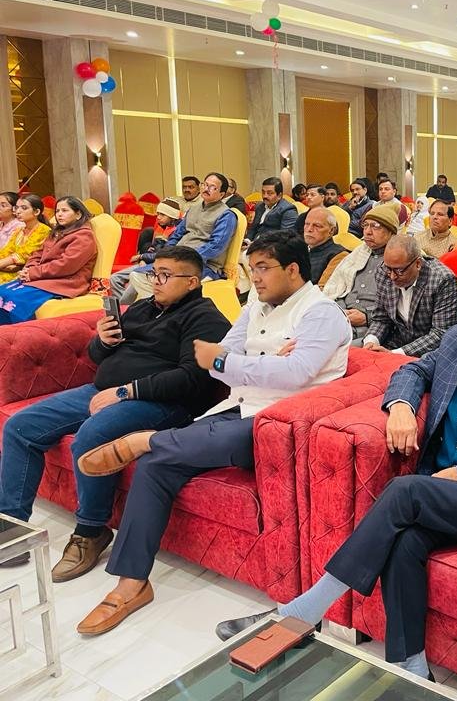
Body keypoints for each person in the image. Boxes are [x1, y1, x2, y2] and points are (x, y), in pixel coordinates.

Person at [215, 257, 457, 681]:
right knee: (405, 541)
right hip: (451, 494)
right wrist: (402, 406)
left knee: (406, 490)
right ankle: (411, 665)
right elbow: (412, 369)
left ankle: (302, 611)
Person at [76, 232, 351, 635]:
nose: (254, 278)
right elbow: (213, 359)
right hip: (237, 405)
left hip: (282, 423)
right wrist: (260, 363)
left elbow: (295, 374)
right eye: (251, 268)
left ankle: (146, 439)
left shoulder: (320, 314)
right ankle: (131, 583)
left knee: (203, 442)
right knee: (155, 466)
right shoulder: (256, 305)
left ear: (293, 270)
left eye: (263, 268)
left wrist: (244, 363)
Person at [0, 247, 230, 575]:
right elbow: (98, 356)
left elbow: (191, 378)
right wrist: (103, 342)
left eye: (166, 275)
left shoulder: (206, 319)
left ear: (192, 282)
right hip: (102, 391)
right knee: (21, 426)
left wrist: (125, 391)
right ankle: (12, 527)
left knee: (91, 437)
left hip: (162, 403)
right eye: (154, 273)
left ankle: (91, 531)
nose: (156, 281)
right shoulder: (142, 308)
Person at [114, 173, 236, 304]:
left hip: (203, 265)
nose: (206, 189)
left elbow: (215, 246)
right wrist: (167, 254)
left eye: (212, 187)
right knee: (137, 274)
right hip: (177, 259)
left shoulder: (226, 215)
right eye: (205, 184)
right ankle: (128, 310)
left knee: (141, 277)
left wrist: (187, 258)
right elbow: (176, 235)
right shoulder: (193, 209)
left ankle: (163, 309)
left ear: (222, 194)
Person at [0, 196, 96, 324]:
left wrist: (33, 273)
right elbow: (38, 254)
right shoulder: (58, 232)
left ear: (78, 214)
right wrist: (29, 268)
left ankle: (17, 331)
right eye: (57, 211)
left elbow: (65, 265)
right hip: (44, 277)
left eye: (64, 211)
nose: (59, 214)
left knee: (13, 297)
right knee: (2, 291)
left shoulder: (83, 236)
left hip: (65, 281)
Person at [363, 236, 457, 357]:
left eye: (399, 271)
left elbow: (440, 333)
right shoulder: (382, 272)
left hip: (429, 352)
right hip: (394, 342)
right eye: (388, 268)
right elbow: (381, 318)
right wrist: (371, 341)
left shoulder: (442, 280)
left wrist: (395, 354)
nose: (392, 276)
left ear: (418, 264)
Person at [322, 204, 398, 343]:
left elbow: (400, 305)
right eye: (365, 225)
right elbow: (338, 288)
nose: (367, 232)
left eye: (375, 226)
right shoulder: (359, 253)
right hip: (341, 316)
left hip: (374, 327)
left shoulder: (399, 260)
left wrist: (367, 316)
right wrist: (340, 310)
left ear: (391, 232)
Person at [0, 194, 49, 284]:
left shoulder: (43, 230)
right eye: (17, 208)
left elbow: (23, 255)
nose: (18, 211)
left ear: (36, 212)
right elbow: (7, 250)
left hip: (27, 272)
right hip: (10, 269)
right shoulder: (19, 230)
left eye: (24, 208)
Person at [248, 177, 297, 242]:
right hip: (254, 244)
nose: (265, 196)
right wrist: (247, 240)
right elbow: (253, 228)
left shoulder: (288, 209)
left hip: (272, 245)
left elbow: (286, 235)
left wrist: (258, 243)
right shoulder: (259, 206)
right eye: (263, 192)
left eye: (269, 193)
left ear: (279, 195)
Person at [303, 207, 343, 284]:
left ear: (331, 231)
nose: (309, 229)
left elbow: (323, 288)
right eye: (307, 224)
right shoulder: (297, 248)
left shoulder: (338, 255)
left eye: (317, 226)